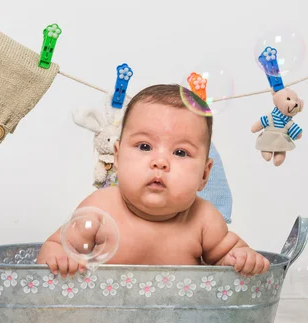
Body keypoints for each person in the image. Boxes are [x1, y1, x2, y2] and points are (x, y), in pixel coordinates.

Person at [37, 84, 270, 277]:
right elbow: (56, 246)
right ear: (117, 157)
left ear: (204, 174)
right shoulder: (99, 208)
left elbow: (228, 257)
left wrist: (243, 258)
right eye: (145, 146)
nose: (160, 162)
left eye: (180, 152)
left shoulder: (204, 220)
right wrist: (60, 260)